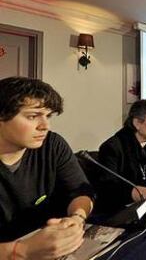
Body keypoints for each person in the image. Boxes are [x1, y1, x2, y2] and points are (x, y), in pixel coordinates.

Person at [0, 77, 95, 259]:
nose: (45, 126)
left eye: (48, 116)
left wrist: (77, 218)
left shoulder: (52, 144)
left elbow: (81, 192)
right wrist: (22, 250)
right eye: (33, 116)